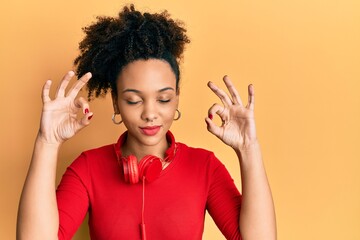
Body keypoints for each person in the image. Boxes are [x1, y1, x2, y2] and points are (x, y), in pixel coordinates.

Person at [16, 4, 276, 240]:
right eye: (133, 100)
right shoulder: (88, 169)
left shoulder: (205, 167)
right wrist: (47, 142)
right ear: (116, 103)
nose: (150, 113)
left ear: (176, 99)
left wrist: (249, 148)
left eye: (163, 99)